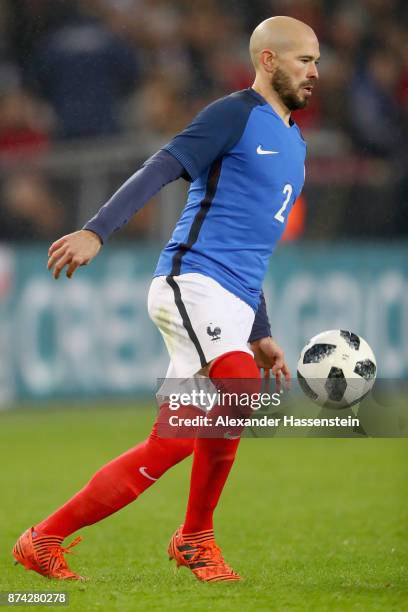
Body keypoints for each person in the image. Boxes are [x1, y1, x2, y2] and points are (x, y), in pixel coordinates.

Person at [13, 16, 320, 583]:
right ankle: (196, 537)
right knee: (237, 386)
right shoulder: (236, 114)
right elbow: (161, 168)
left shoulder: (295, 144)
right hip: (190, 282)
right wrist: (96, 230)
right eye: (304, 60)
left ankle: (44, 539)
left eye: (317, 61)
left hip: (233, 297)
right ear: (269, 60)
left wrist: (260, 329)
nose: (315, 72)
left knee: (175, 440)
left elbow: (251, 245)